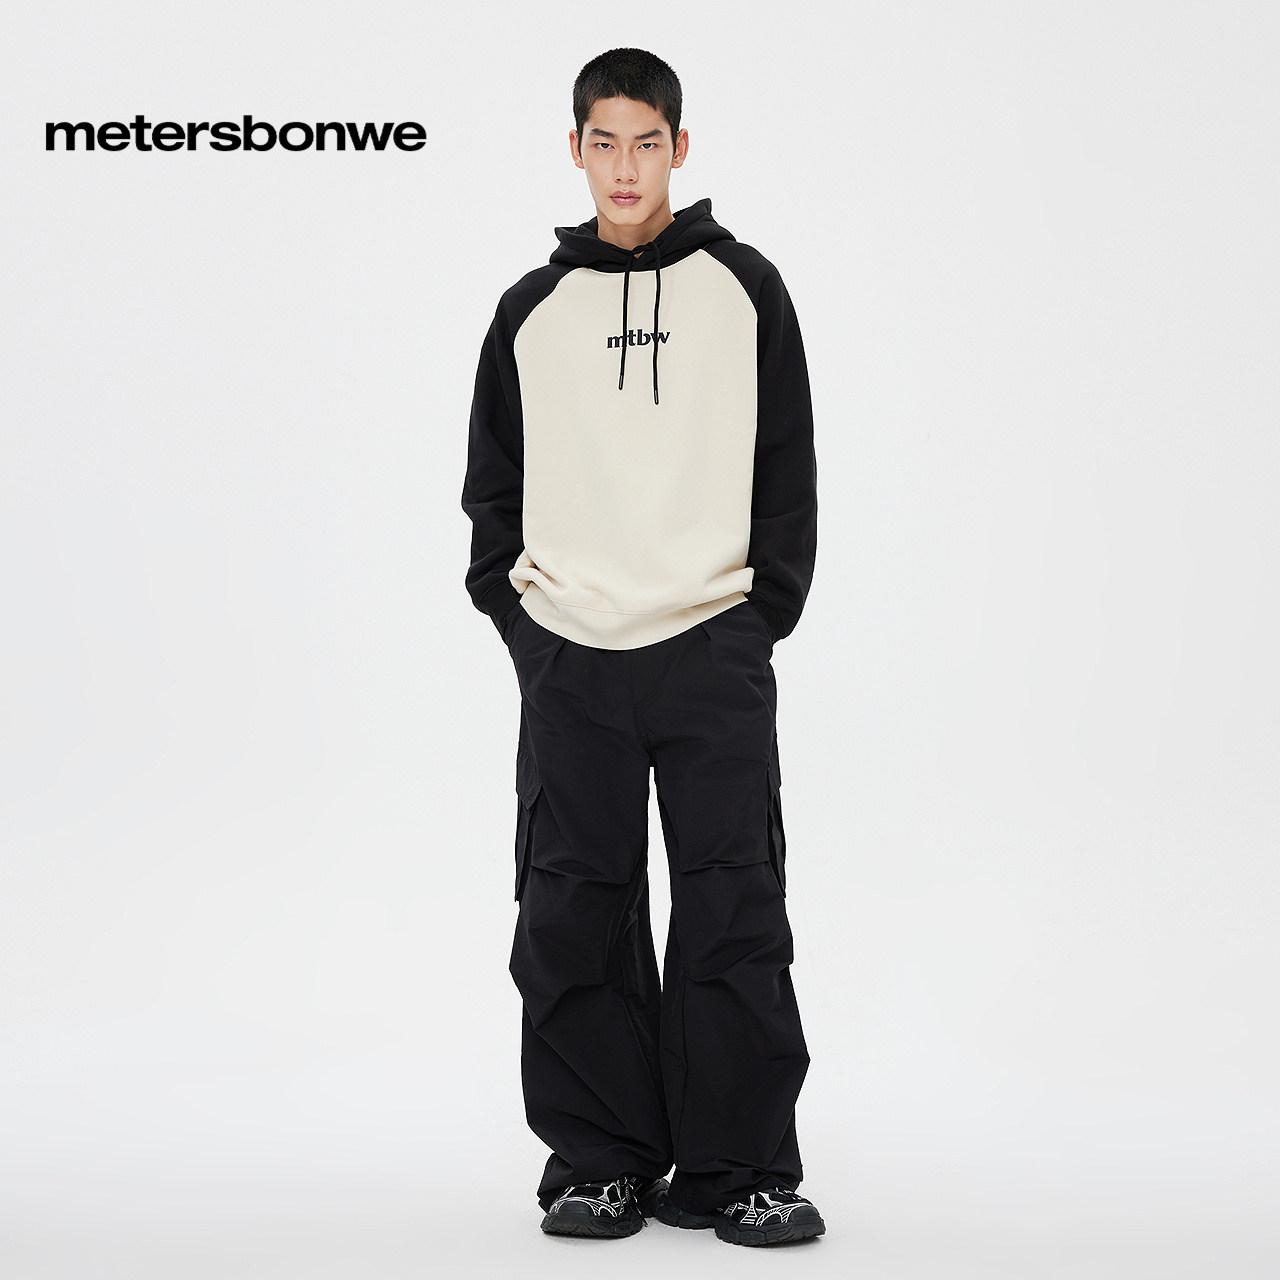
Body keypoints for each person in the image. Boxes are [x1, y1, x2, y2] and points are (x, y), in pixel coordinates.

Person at [460, 47, 823, 1248]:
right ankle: (601, 1158)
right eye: (603, 142)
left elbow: (785, 464)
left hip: (711, 641)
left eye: (646, 141)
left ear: (679, 146)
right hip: (571, 650)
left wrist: (758, 613)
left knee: (733, 905)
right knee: (572, 909)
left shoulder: (744, 288)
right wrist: (524, 625)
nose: (625, 166)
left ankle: (737, 1169)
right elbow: (491, 489)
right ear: (575, 149)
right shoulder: (529, 310)